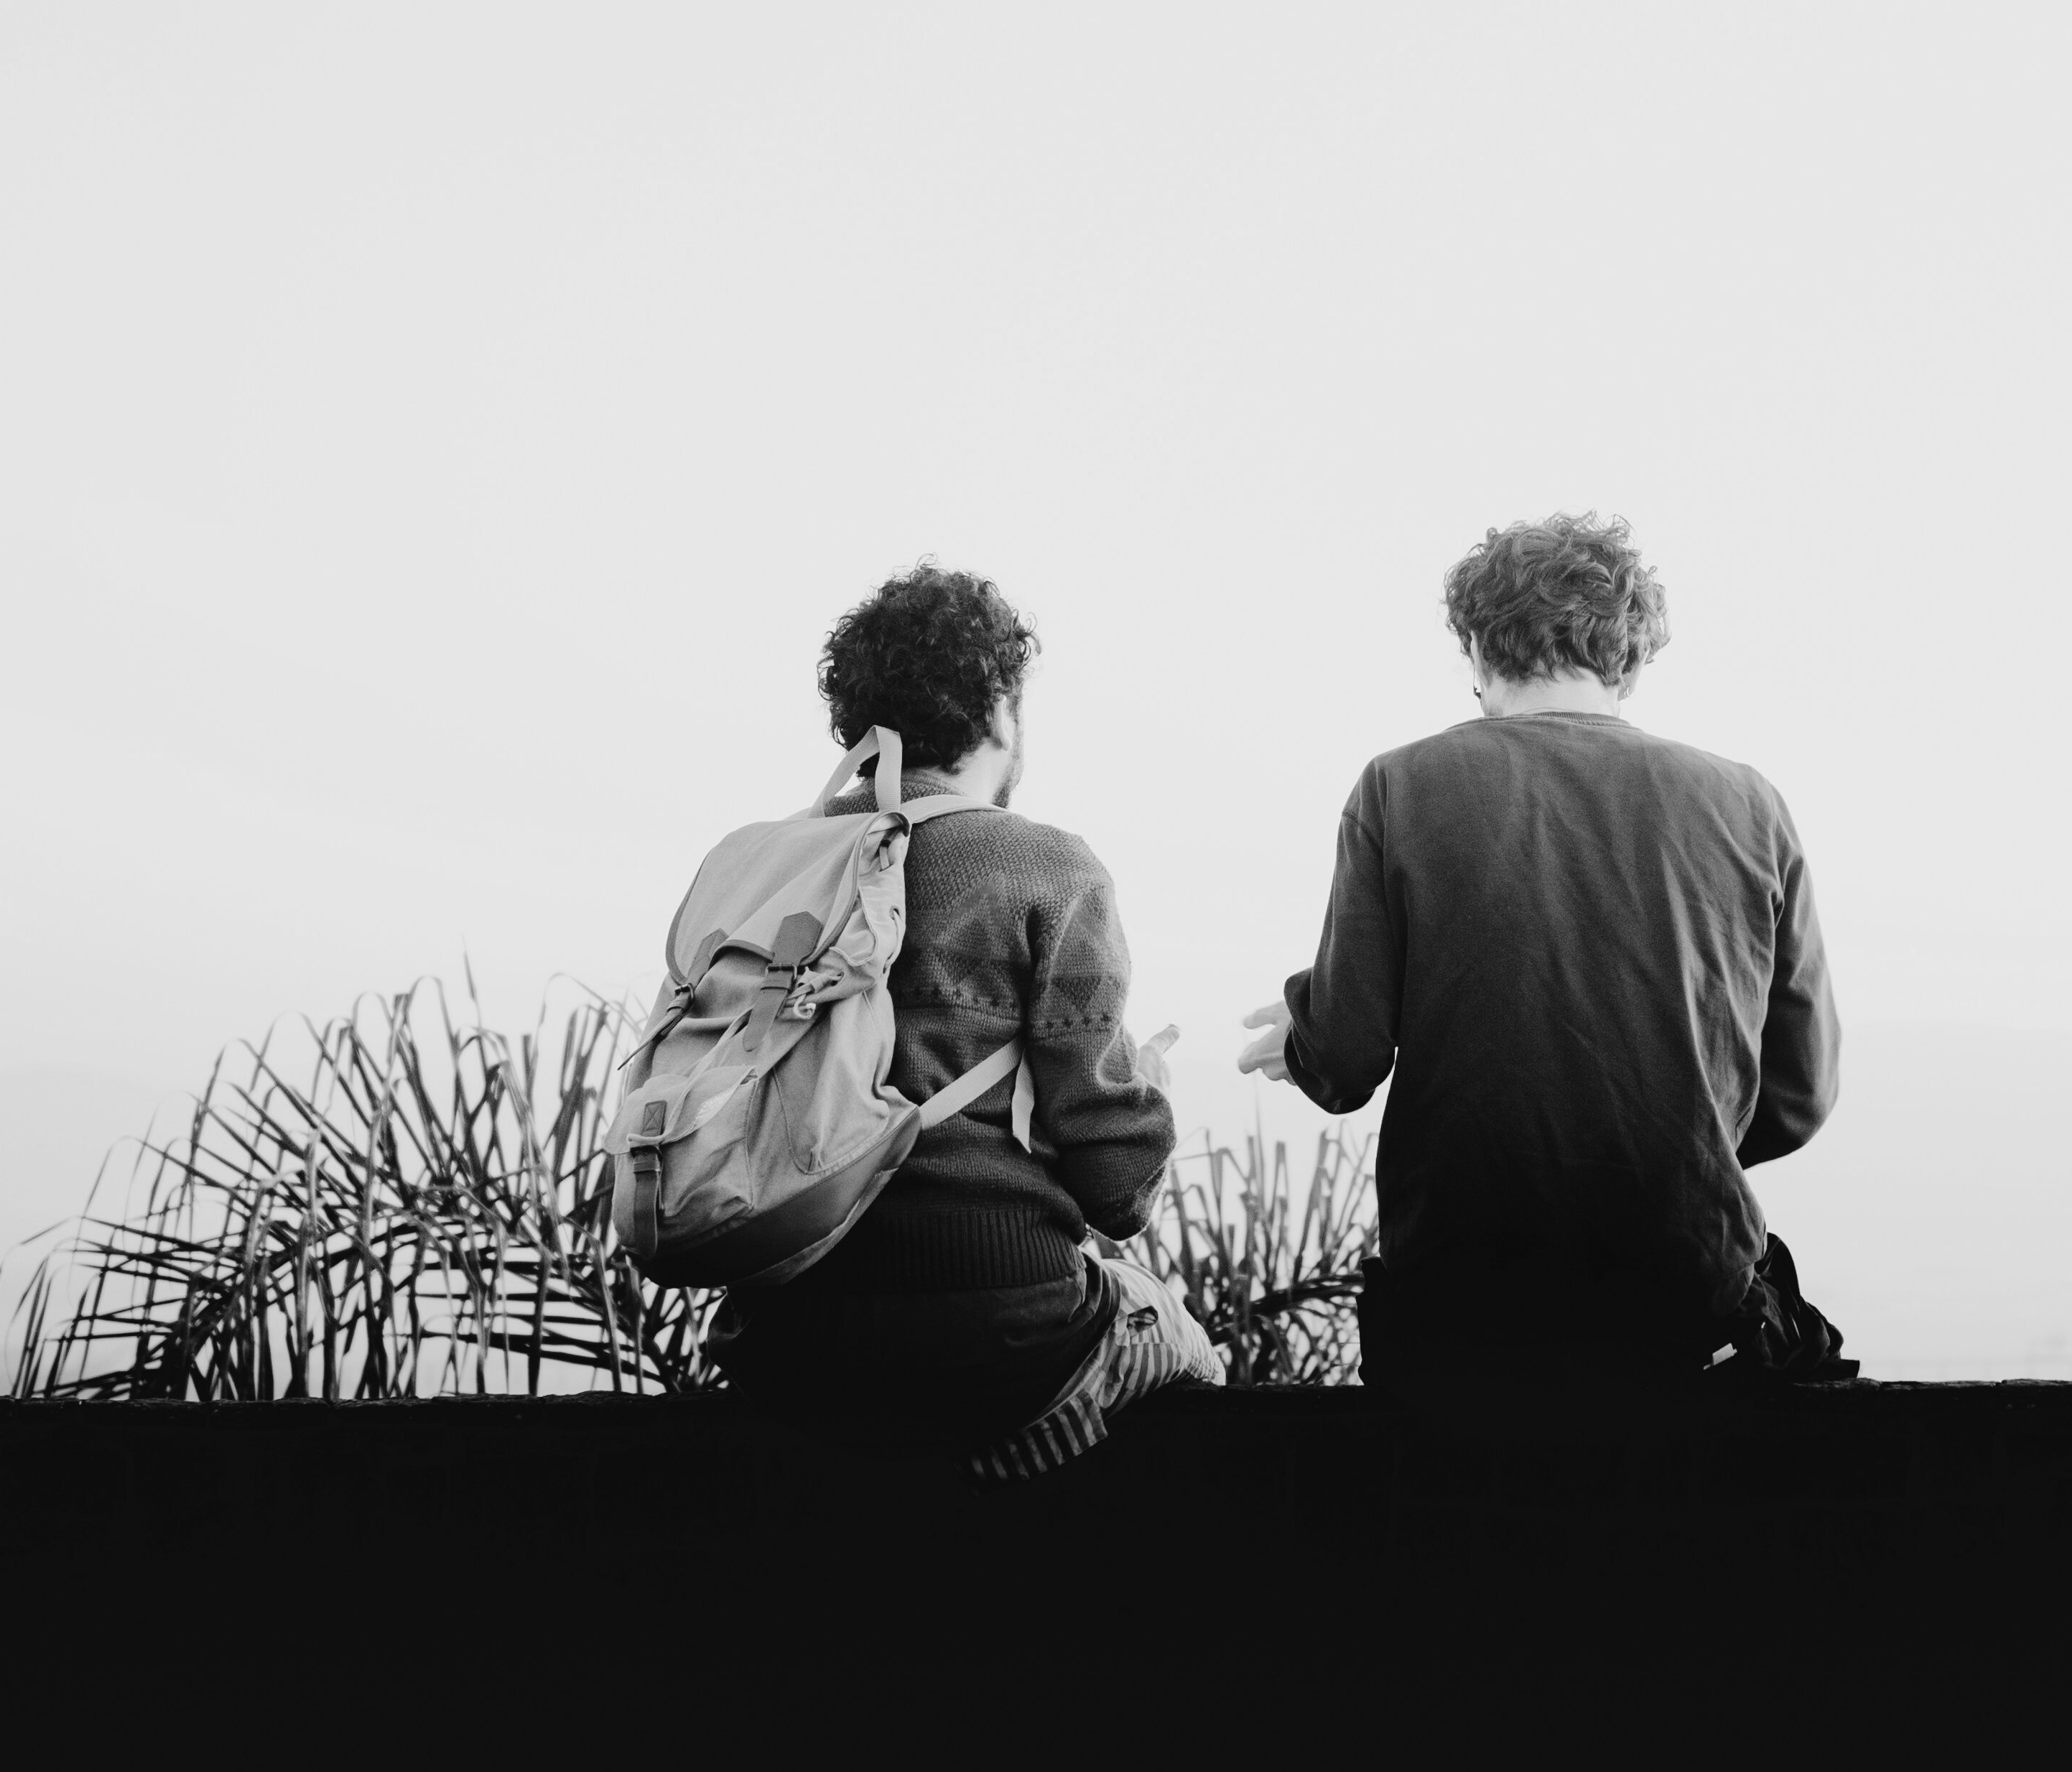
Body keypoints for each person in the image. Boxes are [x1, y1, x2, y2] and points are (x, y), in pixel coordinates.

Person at [1239, 510, 1846, 1424]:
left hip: (1459, 1325)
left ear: (1477, 646)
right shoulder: (1748, 805)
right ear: (1631, 661)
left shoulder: (1399, 785)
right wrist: (1663, 1137)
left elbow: (1348, 1060)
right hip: (1680, 1316)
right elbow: (1799, 1097)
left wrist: (1303, 1037)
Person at [715, 563, 1222, 1473]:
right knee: (1184, 1345)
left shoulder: (761, 866)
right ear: (998, 711)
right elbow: (1116, 1190)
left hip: (782, 1343)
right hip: (1001, 1326)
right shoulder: (1047, 866)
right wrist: (1140, 1084)